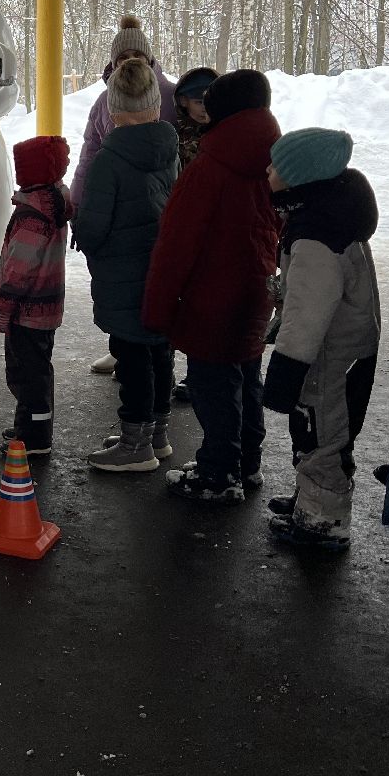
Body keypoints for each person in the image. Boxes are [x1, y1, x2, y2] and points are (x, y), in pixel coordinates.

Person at [142, 69, 282, 503]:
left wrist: (158, 311)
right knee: (246, 380)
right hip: (255, 291)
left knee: (212, 388)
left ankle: (218, 474)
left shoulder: (209, 168)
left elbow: (176, 246)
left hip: (210, 300)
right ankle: (246, 464)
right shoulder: (273, 158)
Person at [260, 128, 381, 550]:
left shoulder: (316, 233)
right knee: (321, 429)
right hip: (342, 350)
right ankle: (310, 499)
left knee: (322, 434)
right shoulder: (332, 212)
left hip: (328, 356)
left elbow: (309, 310)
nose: (268, 170)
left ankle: (322, 522)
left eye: (276, 166)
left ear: (300, 179)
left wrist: (285, 369)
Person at [74, 59, 181, 472]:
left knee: (131, 356)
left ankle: (136, 446)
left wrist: (81, 230)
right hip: (162, 272)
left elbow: (95, 226)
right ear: (156, 106)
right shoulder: (169, 150)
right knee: (160, 351)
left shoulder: (109, 159)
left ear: (112, 111)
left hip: (122, 277)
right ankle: (157, 433)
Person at [70, 15, 177, 379]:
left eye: (137, 53)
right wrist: (78, 203)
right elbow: (89, 155)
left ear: (150, 58)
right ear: (112, 62)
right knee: (125, 290)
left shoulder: (170, 95)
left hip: (156, 216)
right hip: (118, 213)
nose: (130, 60)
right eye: (122, 55)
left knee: (153, 290)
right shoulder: (103, 101)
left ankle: (150, 357)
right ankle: (124, 350)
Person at [0, 136, 74, 457]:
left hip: (27, 311)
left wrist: (2, 308)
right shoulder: (53, 204)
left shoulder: (32, 215)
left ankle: (35, 437)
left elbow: (18, 269)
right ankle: (31, 424)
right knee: (35, 371)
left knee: (27, 375)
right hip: (46, 308)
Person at [167, 65, 218, 404]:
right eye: (197, 101)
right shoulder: (172, 134)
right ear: (183, 102)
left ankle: (199, 374)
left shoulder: (224, 134)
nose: (203, 107)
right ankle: (170, 368)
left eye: (208, 100)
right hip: (181, 226)